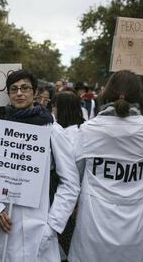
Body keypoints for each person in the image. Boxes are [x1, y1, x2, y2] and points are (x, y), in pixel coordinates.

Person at [68, 71, 143, 262]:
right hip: (139, 226)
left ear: (106, 93)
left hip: (95, 224)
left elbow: (74, 173)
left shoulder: (88, 130)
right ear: (139, 96)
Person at [0, 70, 80, 262]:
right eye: (14, 89)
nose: (19, 93)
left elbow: (71, 182)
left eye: (25, 88)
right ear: (8, 94)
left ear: (34, 93)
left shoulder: (52, 131)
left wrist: (52, 225)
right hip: (2, 229)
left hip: (39, 229)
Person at [51, 90, 84, 259]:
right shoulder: (81, 132)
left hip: (68, 202)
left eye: (54, 106)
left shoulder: (66, 136)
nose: (52, 110)